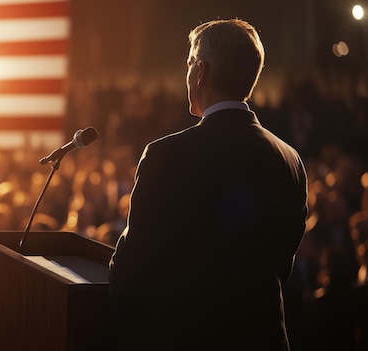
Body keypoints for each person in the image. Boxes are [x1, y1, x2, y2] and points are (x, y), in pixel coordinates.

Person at [108, 19, 309, 350]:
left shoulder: (165, 156)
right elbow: (281, 264)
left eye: (189, 64)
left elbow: (132, 266)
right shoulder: (290, 160)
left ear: (200, 71)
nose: (186, 75)